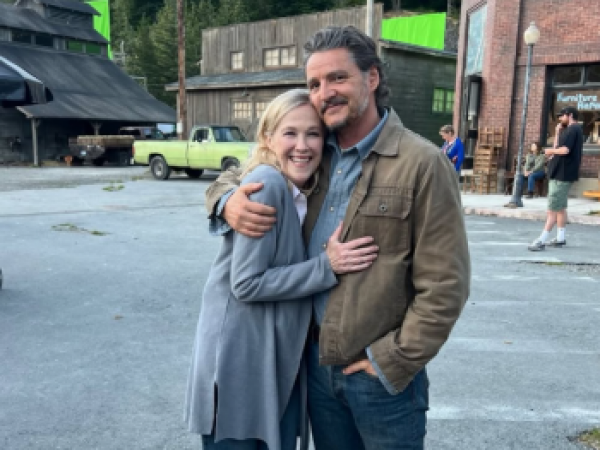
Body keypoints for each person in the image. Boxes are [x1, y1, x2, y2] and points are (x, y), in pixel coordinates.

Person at [205, 26, 470, 450]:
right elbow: (242, 172)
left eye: (337, 78)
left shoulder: (422, 163)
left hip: (380, 382)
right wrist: (225, 201)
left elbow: (445, 285)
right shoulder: (312, 152)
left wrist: (393, 359)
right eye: (314, 84)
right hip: (314, 371)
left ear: (372, 77)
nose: (324, 93)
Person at [185, 89, 378, 450]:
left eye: (313, 134)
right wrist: (327, 266)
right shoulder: (269, 184)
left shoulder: (306, 189)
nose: (302, 146)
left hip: (271, 355)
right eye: (290, 133)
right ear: (267, 137)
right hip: (241, 359)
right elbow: (246, 284)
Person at [528, 106, 583, 251]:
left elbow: (564, 150)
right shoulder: (568, 130)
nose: (560, 119)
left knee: (552, 209)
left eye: (562, 116)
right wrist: (557, 132)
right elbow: (558, 147)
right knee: (560, 208)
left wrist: (549, 151)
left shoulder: (573, 129)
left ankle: (541, 240)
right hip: (559, 173)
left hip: (562, 174)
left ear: (570, 115)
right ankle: (560, 237)